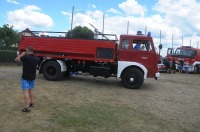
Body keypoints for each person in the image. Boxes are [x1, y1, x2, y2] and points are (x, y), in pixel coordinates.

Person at [15, 46, 38, 112]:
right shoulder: (35, 58)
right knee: (31, 90)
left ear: (27, 51)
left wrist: (22, 54)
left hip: (25, 77)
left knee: (26, 91)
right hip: (32, 77)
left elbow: (16, 60)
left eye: (26, 51)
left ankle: (27, 107)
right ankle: (32, 103)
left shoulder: (25, 57)